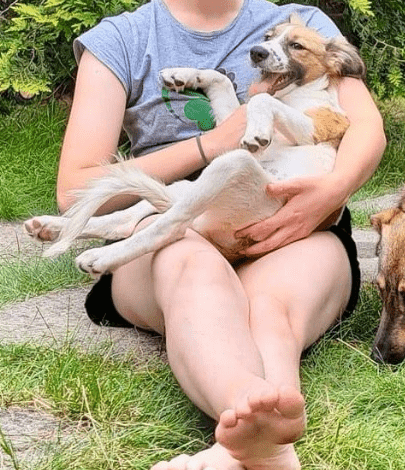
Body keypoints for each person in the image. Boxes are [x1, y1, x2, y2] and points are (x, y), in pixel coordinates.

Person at [57, 0, 386, 468]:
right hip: (180, 219)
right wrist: (212, 143)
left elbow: (366, 127)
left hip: (291, 221)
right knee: (191, 270)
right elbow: (75, 189)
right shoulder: (121, 40)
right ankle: (252, 410)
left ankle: (248, 442)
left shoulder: (303, 23)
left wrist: (332, 190)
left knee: (272, 304)